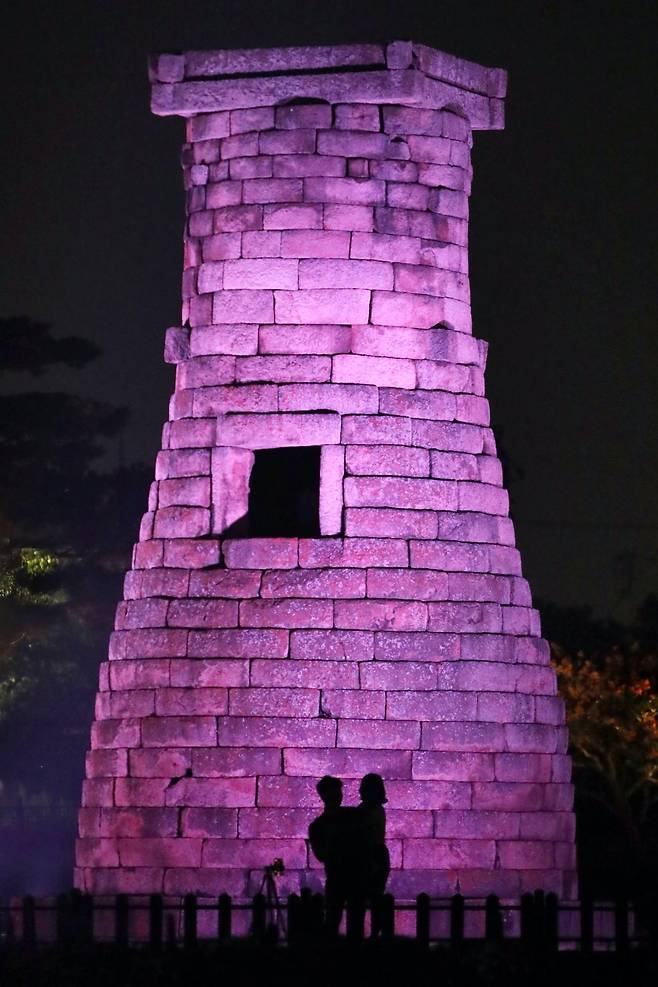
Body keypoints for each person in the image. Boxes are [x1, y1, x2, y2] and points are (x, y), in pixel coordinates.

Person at [308, 775, 367, 936]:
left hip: (346, 877)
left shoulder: (319, 825)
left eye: (338, 792)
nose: (338, 796)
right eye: (335, 793)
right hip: (342, 878)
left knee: (345, 924)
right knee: (339, 923)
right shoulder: (351, 817)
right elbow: (321, 854)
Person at [356, 773, 390, 936]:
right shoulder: (379, 810)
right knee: (376, 897)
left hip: (369, 856)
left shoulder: (364, 811)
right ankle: (376, 933)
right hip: (378, 855)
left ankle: (366, 935)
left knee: (363, 899)